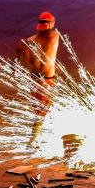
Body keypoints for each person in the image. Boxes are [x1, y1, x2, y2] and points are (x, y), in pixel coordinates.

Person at [18, 11, 59, 142]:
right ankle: (33, 141)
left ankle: (39, 138)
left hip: (34, 79)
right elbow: (48, 57)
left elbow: (29, 61)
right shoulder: (54, 36)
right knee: (42, 113)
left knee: (40, 110)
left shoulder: (29, 41)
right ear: (51, 24)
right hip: (47, 80)